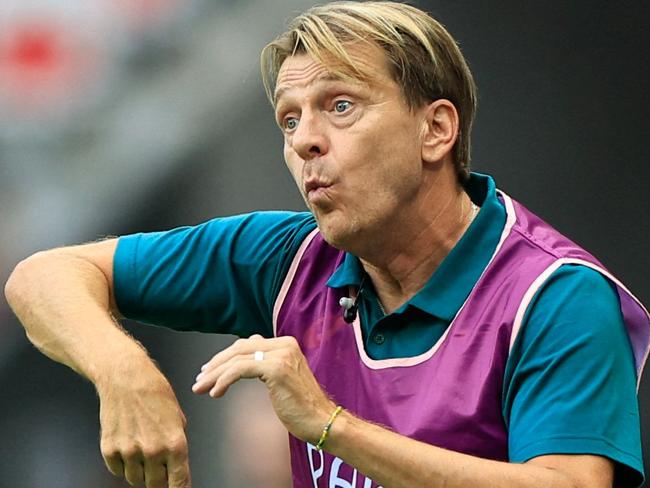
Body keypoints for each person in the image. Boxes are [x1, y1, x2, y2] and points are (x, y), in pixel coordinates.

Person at [4, 2, 649, 487]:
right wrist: (124, 372)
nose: (305, 142)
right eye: (290, 118)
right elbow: (42, 277)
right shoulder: (285, 259)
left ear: (436, 129)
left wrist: (329, 426)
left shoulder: (556, 297)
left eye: (340, 106)